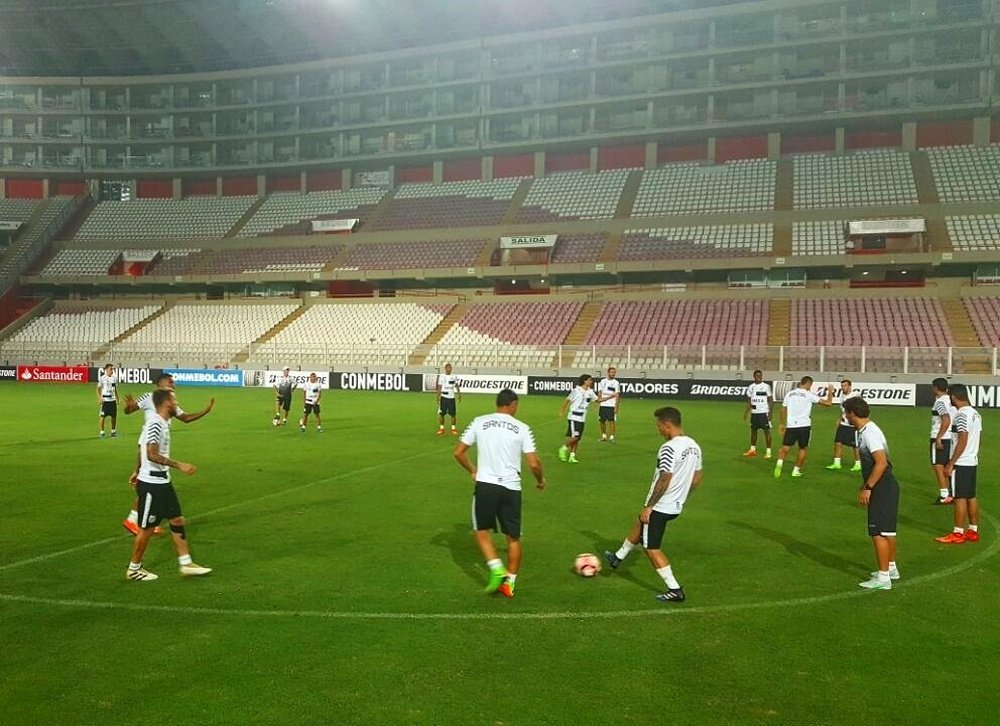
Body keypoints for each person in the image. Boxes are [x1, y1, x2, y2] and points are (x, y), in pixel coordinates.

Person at [604, 406, 703, 603]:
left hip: (661, 506)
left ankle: (674, 589)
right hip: (675, 504)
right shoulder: (694, 446)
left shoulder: (669, 448)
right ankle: (618, 557)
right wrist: (682, 497)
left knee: (651, 548)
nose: (659, 431)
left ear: (667, 425)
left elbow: (664, 478)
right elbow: (696, 479)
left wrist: (649, 506)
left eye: (659, 427)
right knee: (640, 523)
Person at [453, 388, 545, 599]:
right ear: (512, 404)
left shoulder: (479, 421)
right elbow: (533, 463)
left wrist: (473, 470)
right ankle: (509, 583)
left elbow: (458, 452)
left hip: (486, 484)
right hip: (512, 488)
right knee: (513, 537)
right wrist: (541, 480)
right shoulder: (522, 428)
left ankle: (496, 568)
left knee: (481, 530)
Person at [125, 388, 212, 582]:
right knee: (147, 528)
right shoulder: (155, 423)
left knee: (177, 520)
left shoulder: (163, 423)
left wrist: (136, 469)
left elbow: (144, 451)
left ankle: (186, 563)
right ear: (166, 403)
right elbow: (151, 453)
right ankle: (134, 568)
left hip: (163, 482)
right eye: (174, 401)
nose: (176, 404)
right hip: (152, 484)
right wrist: (179, 464)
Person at [121, 373, 214, 535]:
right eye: (171, 381)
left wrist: (206, 410)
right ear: (161, 383)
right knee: (149, 484)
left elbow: (185, 418)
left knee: (151, 486)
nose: (174, 384)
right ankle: (135, 519)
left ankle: (146, 518)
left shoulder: (169, 401)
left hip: (158, 444)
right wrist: (128, 406)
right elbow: (129, 411)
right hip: (148, 444)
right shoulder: (148, 397)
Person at [843, 396, 900, 591]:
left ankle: (883, 579)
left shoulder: (868, 433)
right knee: (888, 530)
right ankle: (891, 568)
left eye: (846, 413)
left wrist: (868, 487)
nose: (845, 417)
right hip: (887, 485)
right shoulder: (868, 429)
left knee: (877, 532)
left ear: (852, 413)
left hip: (881, 486)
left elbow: (881, 462)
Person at [935, 383, 982, 544]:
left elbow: (962, 439)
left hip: (961, 462)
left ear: (954, 397)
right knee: (971, 496)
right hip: (972, 460)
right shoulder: (976, 414)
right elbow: (977, 438)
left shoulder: (961, 415)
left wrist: (951, 463)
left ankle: (958, 532)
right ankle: (973, 530)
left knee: (960, 497)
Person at [773, 376, 834, 478]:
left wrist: (782, 424)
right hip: (804, 426)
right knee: (802, 448)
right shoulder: (809, 395)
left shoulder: (789, 394)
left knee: (785, 448)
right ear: (808, 384)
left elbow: (782, 410)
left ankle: (779, 466)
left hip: (791, 425)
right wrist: (830, 391)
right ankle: (796, 471)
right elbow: (828, 403)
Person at [558, 374, 613, 463]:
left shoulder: (590, 392)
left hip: (582, 418)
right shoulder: (576, 390)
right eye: (589, 380)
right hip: (574, 417)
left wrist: (610, 397)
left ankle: (572, 456)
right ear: (585, 381)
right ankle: (563, 448)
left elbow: (598, 400)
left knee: (577, 438)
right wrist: (562, 410)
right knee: (575, 437)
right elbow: (567, 400)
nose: (591, 382)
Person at [928, 377, 955, 505]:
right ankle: (952, 492)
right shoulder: (950, 400)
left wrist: (938, 437)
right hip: (950, 437)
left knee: (938, 465)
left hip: (941, 436)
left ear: (936, 388)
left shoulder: (940, 402)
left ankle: (944, 495)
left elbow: (946, 419)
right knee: (947, 465)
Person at [826, 379, 862, 471]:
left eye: (845, 386)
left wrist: (858, 421)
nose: (843, 388)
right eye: (842, 386)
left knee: (855, 445)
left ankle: (858, 464)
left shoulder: (856, 395)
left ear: (850, 386)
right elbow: (842, 409)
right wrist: (839, 419)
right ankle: (836, 463)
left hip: (853, 425)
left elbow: (861, 408)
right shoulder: (842, 396)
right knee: (838, 442)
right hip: (843, 423)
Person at [742, 369, 772, 458]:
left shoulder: (766, 386)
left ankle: (768, 452)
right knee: (753, 431)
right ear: (754, 376)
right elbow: (749, 401)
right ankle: (752, 450)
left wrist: (770, 412)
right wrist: (746, 412)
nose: (759, 377)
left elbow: (770, 400)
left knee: (767, 432)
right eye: (757, 376)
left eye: (760, 375)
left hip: (763, 413)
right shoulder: (751, 387)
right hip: (754, 413)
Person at [436, 363, 462, 436]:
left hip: (451, 397)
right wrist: (437, 396)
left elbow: (457, 386)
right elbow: (439, 387)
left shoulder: (454, 376)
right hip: (443, 397)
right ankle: (442, 428)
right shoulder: (442, 376)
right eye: (447, 368)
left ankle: (453, 429)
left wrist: (459, 394)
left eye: (450, 368)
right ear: (445, 369)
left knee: (453, 414)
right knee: (442, 413)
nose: (449, 369)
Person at [597, 366, 621, 443]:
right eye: (611, 372)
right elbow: (600, 392)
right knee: (602, 421)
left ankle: (612, 437)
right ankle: (604, 436)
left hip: (611, 405)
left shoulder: (616, 383)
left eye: (614, 372)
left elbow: (617, 395)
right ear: (608, 373)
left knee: (612, 421)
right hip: (603, 405)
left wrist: (616, 406)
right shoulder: (603, 381)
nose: (613, 374)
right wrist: (599, 401)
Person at [96, 363, 118, 438]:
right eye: (111, 369)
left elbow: (114, 389)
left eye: (113, 369)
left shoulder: (114, 378)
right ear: (106, 369)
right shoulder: (102, 378)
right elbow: (97, 389)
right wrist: (99, 398)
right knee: (102, 416)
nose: (112, 370)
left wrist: (117, 398)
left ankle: (113, 431)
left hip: (112, 400)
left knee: (114, 416)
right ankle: (102, 432)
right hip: (105, 400)